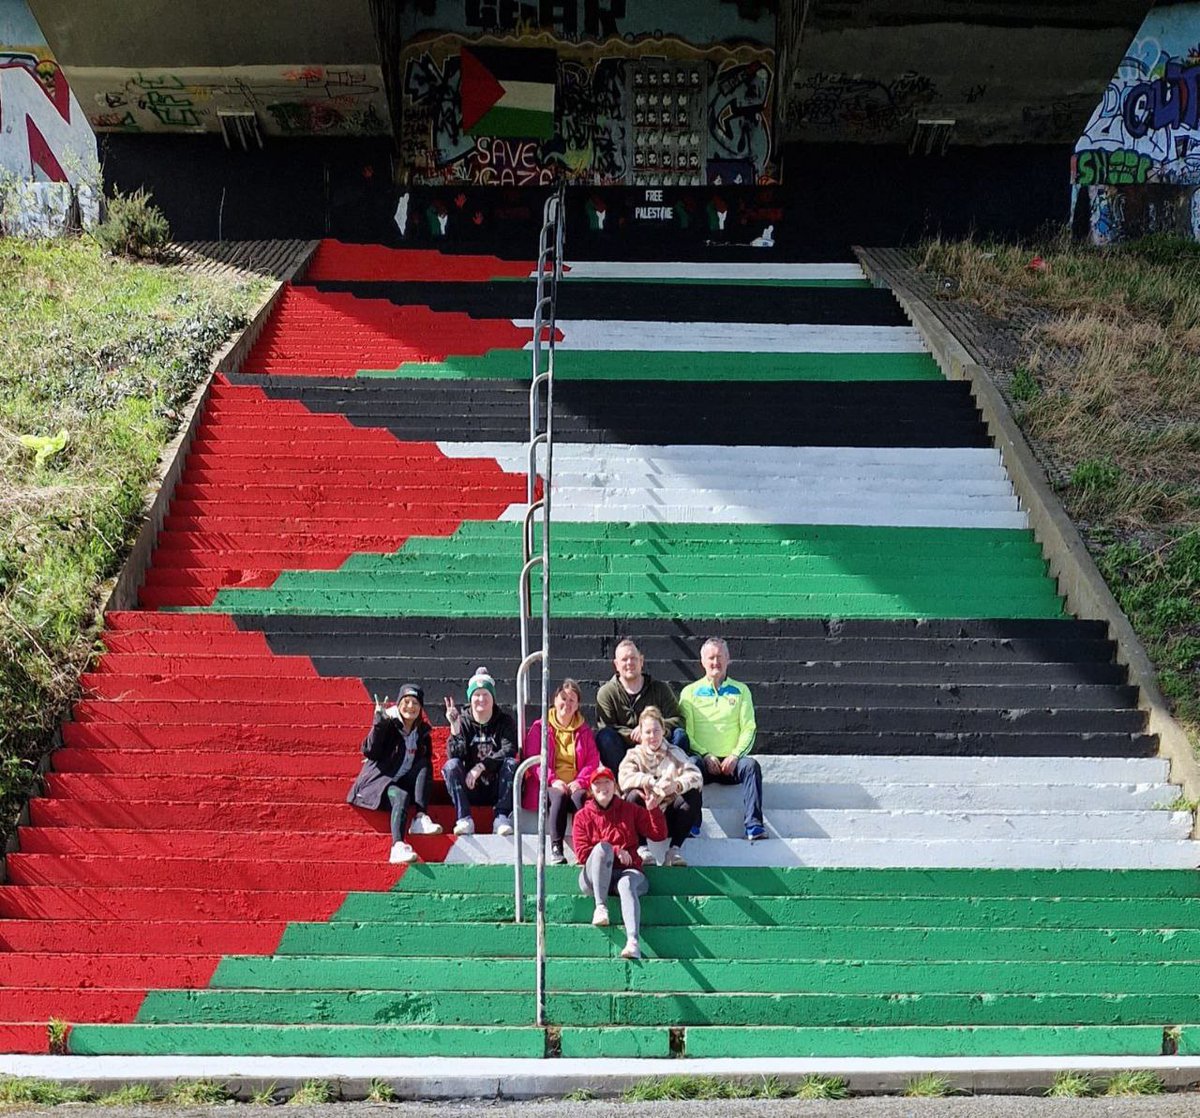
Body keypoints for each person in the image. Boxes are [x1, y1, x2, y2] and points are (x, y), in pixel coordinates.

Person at [572, 766, 666, 960]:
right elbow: (582, 854)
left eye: (606, 782)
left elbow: (658, 834)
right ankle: (600, 907)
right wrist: (614, 851)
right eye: (597, 783)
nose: (602, 787)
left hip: (627, 872)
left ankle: (633, 942)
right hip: (595, 879)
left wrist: (653, 809)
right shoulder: (582, 816)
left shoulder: (629, 809)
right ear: (590, 789)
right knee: (602, 849)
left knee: (626, 883)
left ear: (614, 785)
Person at [346, 683, 443, 864]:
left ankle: (420, 818)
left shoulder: (422, 733)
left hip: (403, 779)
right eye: (406, 702)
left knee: (424, 763)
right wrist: (379, 724)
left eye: (415, 703)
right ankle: (397, 845)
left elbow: (424, 766)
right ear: (398, 704)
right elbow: (370, 751)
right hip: (379, 783)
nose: (411, 707)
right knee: (401, 796)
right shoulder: (388, 725)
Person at [679, 637, 765, 842]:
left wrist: (735, 755)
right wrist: (705, 755)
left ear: (728, 659)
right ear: (702, 661)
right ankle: (693, 824)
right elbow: (686, 733)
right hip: (704, 762)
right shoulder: (689, 693)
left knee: (752, 766)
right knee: (690, 765)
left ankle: (754, 825)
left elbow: (749, 728)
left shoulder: (741, 690)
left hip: (732, 763)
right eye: (710, 658)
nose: (715, 662)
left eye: (719, 657)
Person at [522, 679, 600, 865]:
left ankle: (585, 848)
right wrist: (553, 780)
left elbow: (592, 760)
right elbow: (534, 761)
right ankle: (556, 848)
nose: (567, 703)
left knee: (579, 799)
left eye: (572, 699)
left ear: (578, 705)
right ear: (554, 700)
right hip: (547, 784)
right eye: (563, 698)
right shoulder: (540, 727)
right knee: (558, 797)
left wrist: (580, 782)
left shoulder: (584, 731)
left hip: (575, 783)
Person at [617, 706, 703, 867]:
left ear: (663, 731)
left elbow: (696, 775)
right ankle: (642, 849)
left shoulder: (674, 752)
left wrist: (677, 785)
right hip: (645, 817)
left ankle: (674, 850)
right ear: (641, 734)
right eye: (648, 732)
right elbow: (623, 778)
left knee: (693, 794)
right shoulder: (634, 755)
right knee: (632, 796)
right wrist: (648, 781)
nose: (652, 736)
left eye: (656, 731)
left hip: (668, 817)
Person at [442, 666, 519, 836]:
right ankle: (464, 818)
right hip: (471, 787)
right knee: (451, 766)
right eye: (477, 695)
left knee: (511, 764)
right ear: (471, 698)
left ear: (493, 698)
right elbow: (455, 756)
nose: (481, 699)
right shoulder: (463, 721)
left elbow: (509, 750)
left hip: (496, 786)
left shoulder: (504, 721)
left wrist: (482, 766)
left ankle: (502, 817)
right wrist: (455, 729)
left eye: (486, 694)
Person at [595, 638, 688, 772]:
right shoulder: (606, 693)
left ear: (641, 661)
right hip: (623, 753)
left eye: (633, 658)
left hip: (658, 750)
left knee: (680, 735)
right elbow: (606, 727)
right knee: (605, 737)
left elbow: (678, 720)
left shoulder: (660, 689)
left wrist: (651, 729)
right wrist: (634, 734)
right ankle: (625, 785)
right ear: (616, 664)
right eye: (624, 659)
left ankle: (667, 783)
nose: (629, 663)